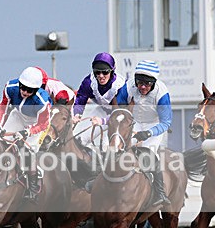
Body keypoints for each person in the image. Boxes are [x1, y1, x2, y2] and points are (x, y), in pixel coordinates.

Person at [113, 60, 172, 207]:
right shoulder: (128, 86)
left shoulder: (162, 93)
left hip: (154, 125)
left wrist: (148, 133)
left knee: (148, 154)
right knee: (117, 147)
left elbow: (166, 122)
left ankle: (160, 193)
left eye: (147, 84)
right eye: (140, 83)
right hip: (134, 122)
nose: (143, 87)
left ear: (153, 83)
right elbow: (120, 108)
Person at [0, 66, 52, 201]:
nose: (25, 92)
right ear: (19, 83)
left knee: (27, 151)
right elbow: (3, 106)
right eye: (23, 88)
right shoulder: (10, 87)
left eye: (29, 90)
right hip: (18, 115)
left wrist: (28, 132)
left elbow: (43, 124)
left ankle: (33, 187)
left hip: (36, 123)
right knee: (1, 140)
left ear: (36, 90)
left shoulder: (42, 101)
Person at [72, 52, 126, 149]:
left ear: (112, 71)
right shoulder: (89, 82)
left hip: (121, 117)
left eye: (105, 72)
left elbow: (121, 113)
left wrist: (103, 121)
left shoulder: (121, 86)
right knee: (79, 139)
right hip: (102, 110)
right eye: (97, 72)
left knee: (108, 147)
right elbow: (80, 99)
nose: (101, 76)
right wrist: (77, 114)